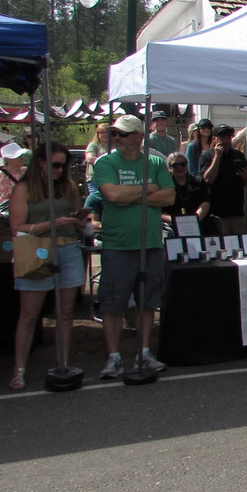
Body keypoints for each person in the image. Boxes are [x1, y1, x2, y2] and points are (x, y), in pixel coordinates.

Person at [92, 115, 175, 379]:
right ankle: (114, 357)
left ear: (139, 137)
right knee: (113, 303)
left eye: (123, 134)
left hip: (149, 243)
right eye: (115, 133)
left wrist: (129, 196)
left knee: (147, 302)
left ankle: (144, 352)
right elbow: (112, 195)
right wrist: (148, 188)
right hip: (118, 244)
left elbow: (169, 196)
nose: (117, 138)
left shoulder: (155, 162)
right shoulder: (105, 162)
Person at [7, 142, 86, 391]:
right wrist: (51, 223)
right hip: (36, 249)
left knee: (66, 312)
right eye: (55, 165)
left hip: (68, 247)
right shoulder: (24, 189)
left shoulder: (68, 186)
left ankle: (63, 363)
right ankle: (19, 370)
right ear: (40, 163)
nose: (60, 170)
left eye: (64, 165)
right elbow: (16, 227)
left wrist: (79, 221)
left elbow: (77, 217)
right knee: (30, 315)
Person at [199, 124, 247, 234]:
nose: (226, 140)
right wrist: (217, 156)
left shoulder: (238, 155)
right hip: (217, 213)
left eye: (228, 137)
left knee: (239, 242)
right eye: (222, 137)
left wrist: (246, 178)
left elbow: (246, 184)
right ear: (214, 139)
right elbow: (207, 180)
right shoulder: (207, 156)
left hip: (236, 212)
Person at [161, 152, 211, 234]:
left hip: (200, 224)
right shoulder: (164, 185)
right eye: (175, 165)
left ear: (187, 164)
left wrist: (194, 219)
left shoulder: (198, 181)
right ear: (169, 167)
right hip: (173, 227)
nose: (179, 167)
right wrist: (177, 221)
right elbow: (160, 212)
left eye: (182, 164)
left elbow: (205, 202)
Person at [0, 142, 29, 216]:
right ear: (8, 160)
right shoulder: (2, 174)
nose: (21, 158)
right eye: (17, 156)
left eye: (21, 155)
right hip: (10, 208)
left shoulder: (25, 171)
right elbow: (5, 195)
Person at [84, 122, 113, 196]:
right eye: (102, 132)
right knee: (97, 199)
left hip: (111, 178)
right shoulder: (94, 145)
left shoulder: (115, 146)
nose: (105, 134)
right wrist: (105, 164)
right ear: (98, 134)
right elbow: (90, 159)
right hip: (95, 179)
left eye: (107, 132)